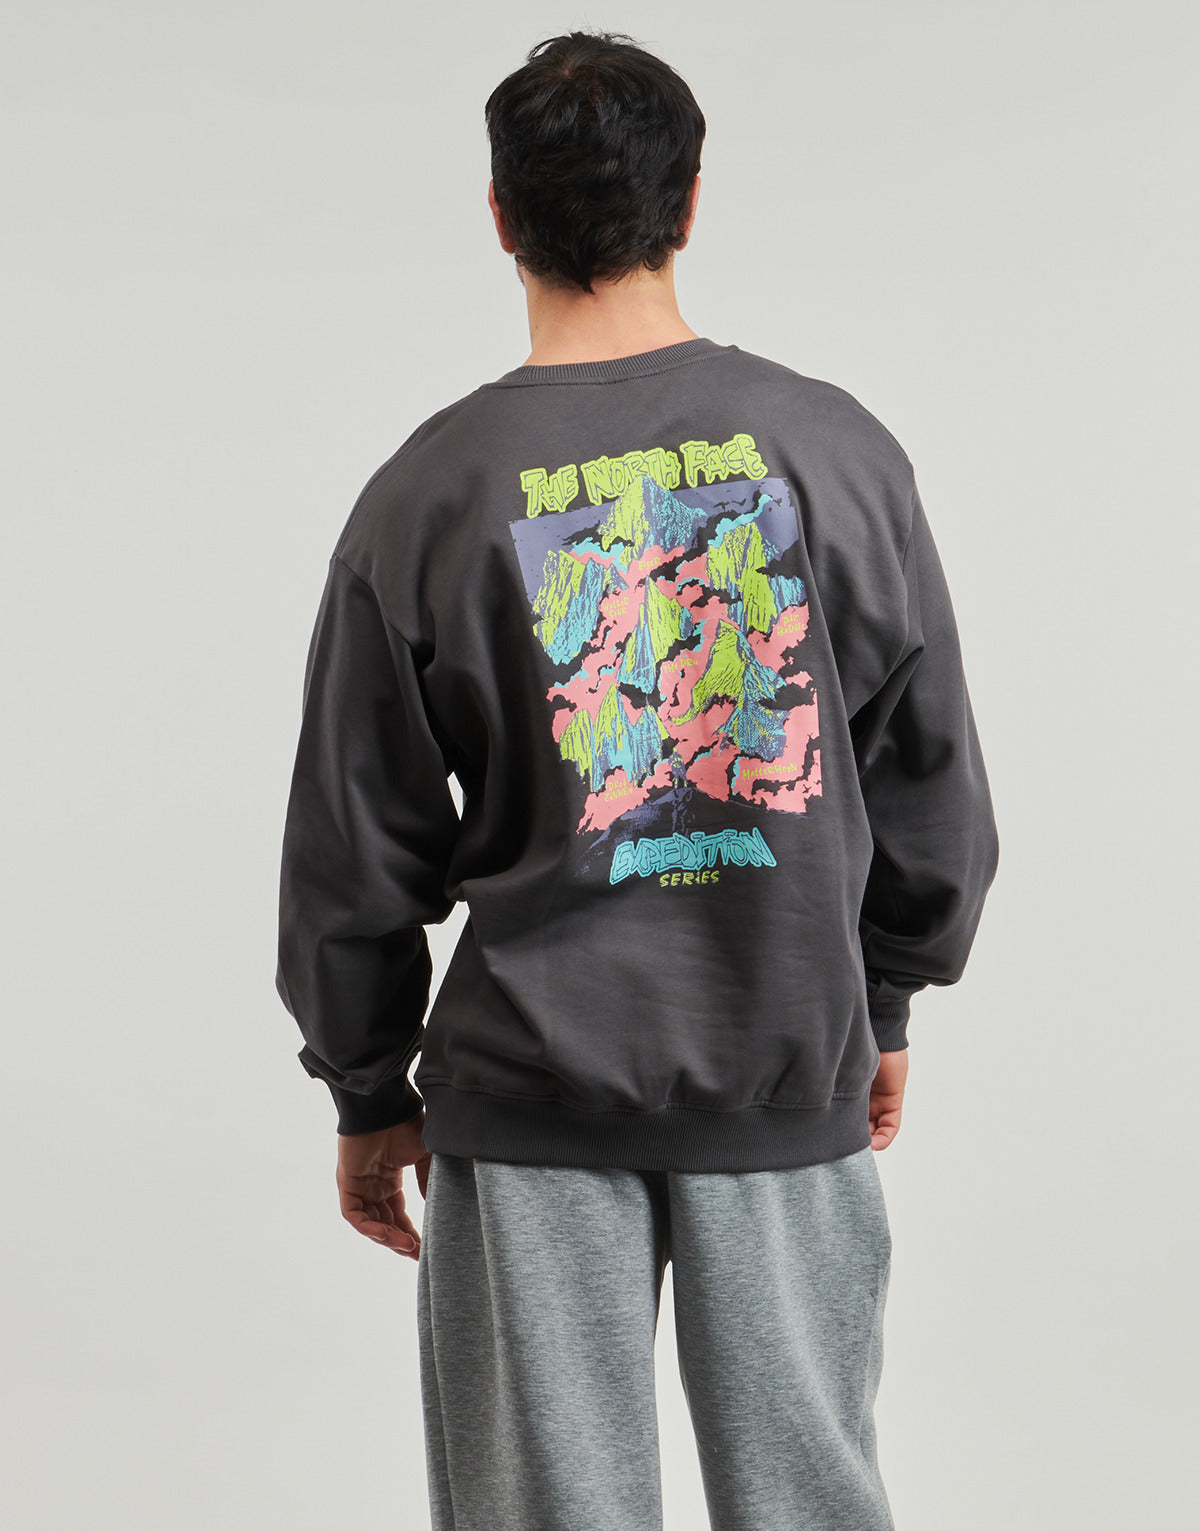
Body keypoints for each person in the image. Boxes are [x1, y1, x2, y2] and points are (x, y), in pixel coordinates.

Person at [275, 28, 1000, 1531]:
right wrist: (884, 1000)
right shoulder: (837, 452)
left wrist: (366, 1085)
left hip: (527, 1093)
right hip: (779, 1063)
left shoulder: (429, 492)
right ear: (692, 199)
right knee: (809, 1504)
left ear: (498, 212)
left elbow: (353, 843)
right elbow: (931, 781)